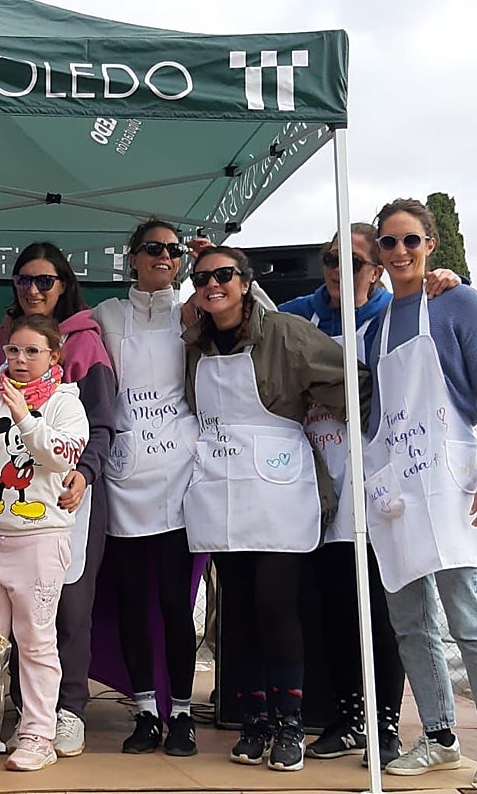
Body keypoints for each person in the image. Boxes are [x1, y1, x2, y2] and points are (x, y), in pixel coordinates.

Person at [277, 225, 455, 769]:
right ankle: (347, 718)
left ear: (374, 267)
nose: (338, 270)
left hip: (381, 481)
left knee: (383, 610)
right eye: (330, 260)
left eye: (352, 262)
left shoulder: (393, 313)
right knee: (331, 605)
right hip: (319, 481)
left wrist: (444, 278)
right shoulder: (301, 314)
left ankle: (386, 722)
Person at [183, 246, 359, 772]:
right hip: (221, 488)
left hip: (277, 488)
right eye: (203, 278)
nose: (213, 285)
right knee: (237, 610)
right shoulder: (194, 343)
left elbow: (350, 380)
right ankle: (254, 720)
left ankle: (288, 722)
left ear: (245, 280)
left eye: (223, 275)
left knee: (276, 606)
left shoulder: (284, 332)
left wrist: (364, 443)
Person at [360, 199, 477, 777]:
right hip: (397, 492)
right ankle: (438, 735)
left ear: (431, 244)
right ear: (378, 255)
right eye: (389, 242)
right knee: (411, 622)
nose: (400, 252)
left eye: (410, 240)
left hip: (454, 486)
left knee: (470, 621)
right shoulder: (375, 327)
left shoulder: (459, 304)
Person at [0, 242, 116, 758]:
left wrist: (85, 474)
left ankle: (68, 711)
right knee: (9, 615)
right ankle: (17, 712)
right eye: (24, 280)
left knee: (67, 610)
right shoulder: (3, 344)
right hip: (8, 505)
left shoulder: (85, 343)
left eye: (45, 281)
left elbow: (103, 425)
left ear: (64, 284)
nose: (34, 290)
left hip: (70, 496)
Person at [0, 314, 90, 772]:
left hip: (40, 539)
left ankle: (38, 734)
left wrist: (24, 416)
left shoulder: (66, 404)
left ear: (54, 356)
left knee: (35, 640)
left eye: (32, 351)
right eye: (13, 350)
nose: (20, 360)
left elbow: (60, 456)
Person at [89, 220, 200, 757]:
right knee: (132, 601)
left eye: (173, 250)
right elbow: (46, 330)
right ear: (131, 257)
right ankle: (145, 711)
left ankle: (181, 713)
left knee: (176, 604)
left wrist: (214, 262)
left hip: (180, 472)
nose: (165, 256)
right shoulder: (108, 314)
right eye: (153, 248)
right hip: (127, 472)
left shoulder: (194, 310)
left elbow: (260, 320)